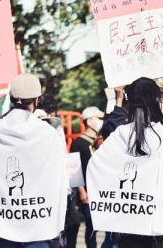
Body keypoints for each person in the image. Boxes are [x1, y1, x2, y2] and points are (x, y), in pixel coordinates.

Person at [87, 77, 163, 248]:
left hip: (127, 221)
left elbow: (105, 137)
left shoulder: (119, 135)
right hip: (162, 222)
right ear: (159, 99)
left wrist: (118, 103)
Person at [0, 74, 67, 247]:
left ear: (13, 98)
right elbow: (58, 175)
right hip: (38, 221)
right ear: (37, 100)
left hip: (4, 220)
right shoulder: (47, 133)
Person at [68, 106, 104, 248]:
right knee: (89, 225)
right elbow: (74, 169)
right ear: (89, 121)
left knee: (96, 226)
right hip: (87, 191)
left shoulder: (102, 140)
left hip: (100, 189)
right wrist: (82, 190)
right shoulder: (78, 143)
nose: (102, 121)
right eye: (98, 118)